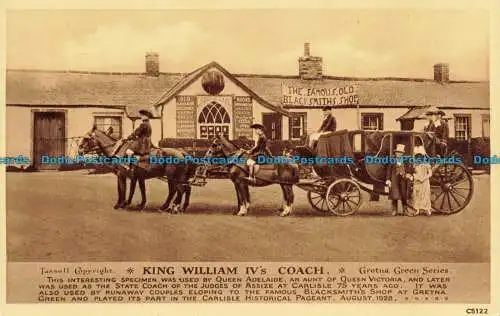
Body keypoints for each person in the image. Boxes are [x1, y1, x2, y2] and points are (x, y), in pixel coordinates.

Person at [385, 144, 415, 216]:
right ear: (395, 153)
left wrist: (409, 175)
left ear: (402, 153)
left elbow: (408, 169)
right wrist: (388, 179)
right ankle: (394, 210)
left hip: (403, 179)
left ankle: (405, 210)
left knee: (403, 194)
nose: (399, 154)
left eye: (400, 153)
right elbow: (389, 170)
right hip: (394, 179)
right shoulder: (392, 160)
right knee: (394, 194)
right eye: (398, 152)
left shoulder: (405, 160)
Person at [409, 145, 433, 216]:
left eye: (420, 156)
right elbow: (412, 173)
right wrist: (416, 177)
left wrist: (425, 178)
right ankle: (417, 209)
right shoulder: (414, 165)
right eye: (417, 156)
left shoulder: (426, 164)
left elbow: (430, 173)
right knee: (417, 195)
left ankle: (427, 209)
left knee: (425, 195)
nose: (419, 158)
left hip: (425, 182)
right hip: (417, 181)